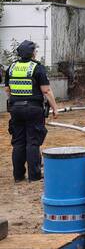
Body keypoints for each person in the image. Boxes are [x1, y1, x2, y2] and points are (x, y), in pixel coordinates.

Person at [4, 39, 57, 183]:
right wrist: (54, 107)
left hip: (15, 108)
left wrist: (15, 101)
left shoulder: (11, 67)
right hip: (33, 109)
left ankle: (18, 176)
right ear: (32, 53)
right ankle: (34, 175)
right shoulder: (37, 68)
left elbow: (7, 89)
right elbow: (46, 90)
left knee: (18, 142)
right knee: (33, 142)